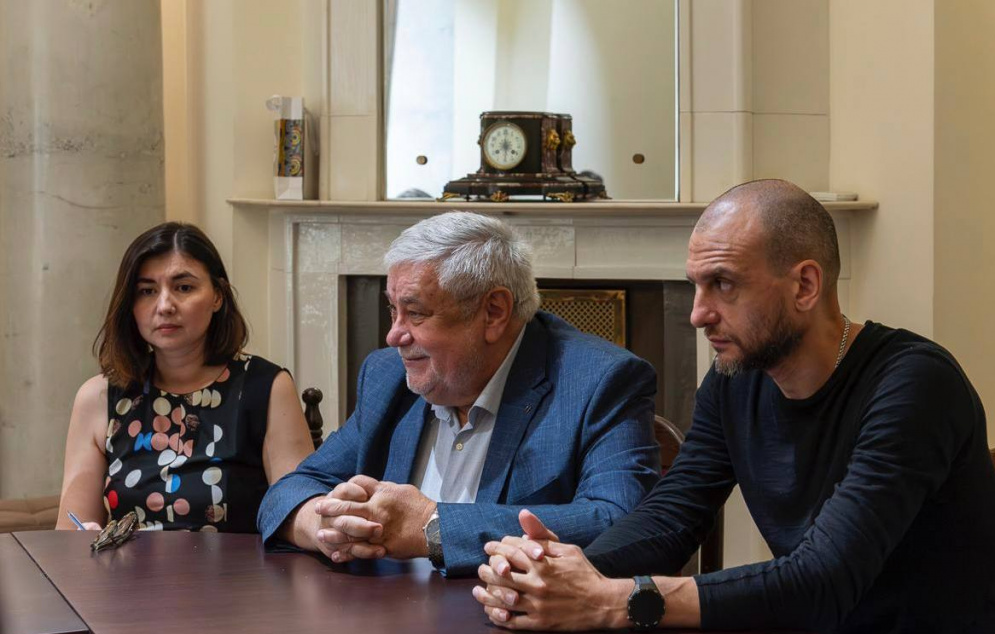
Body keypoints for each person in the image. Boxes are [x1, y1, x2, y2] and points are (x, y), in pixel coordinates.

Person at [472, 180, 995, 634]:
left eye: (723, 284)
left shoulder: (915, 383)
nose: (698, 314)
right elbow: (673, 515)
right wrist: (555, 571)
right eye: (696, 286)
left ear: (805, 285)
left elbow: (822, 579)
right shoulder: (737, 381)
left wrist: (617, 600)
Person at [257, 211, 660, 577]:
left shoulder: (598, 382)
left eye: (416, 313)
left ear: (494, 312)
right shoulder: (387, 376)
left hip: (513, 624)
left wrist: (432, 528)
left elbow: (621, 524)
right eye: (393, 310)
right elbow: (290, 491)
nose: (394, 335)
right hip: (385, 620)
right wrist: (328, 525)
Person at [57, 222, 314, 533]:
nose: (165, 306)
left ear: (217, 296)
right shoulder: (99, 397)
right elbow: (70, 533)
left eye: (184, 288)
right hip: (126, 567)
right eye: (147, 291)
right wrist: (85, 538)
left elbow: (298, 515)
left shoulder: (267, 387)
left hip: (238, 566)